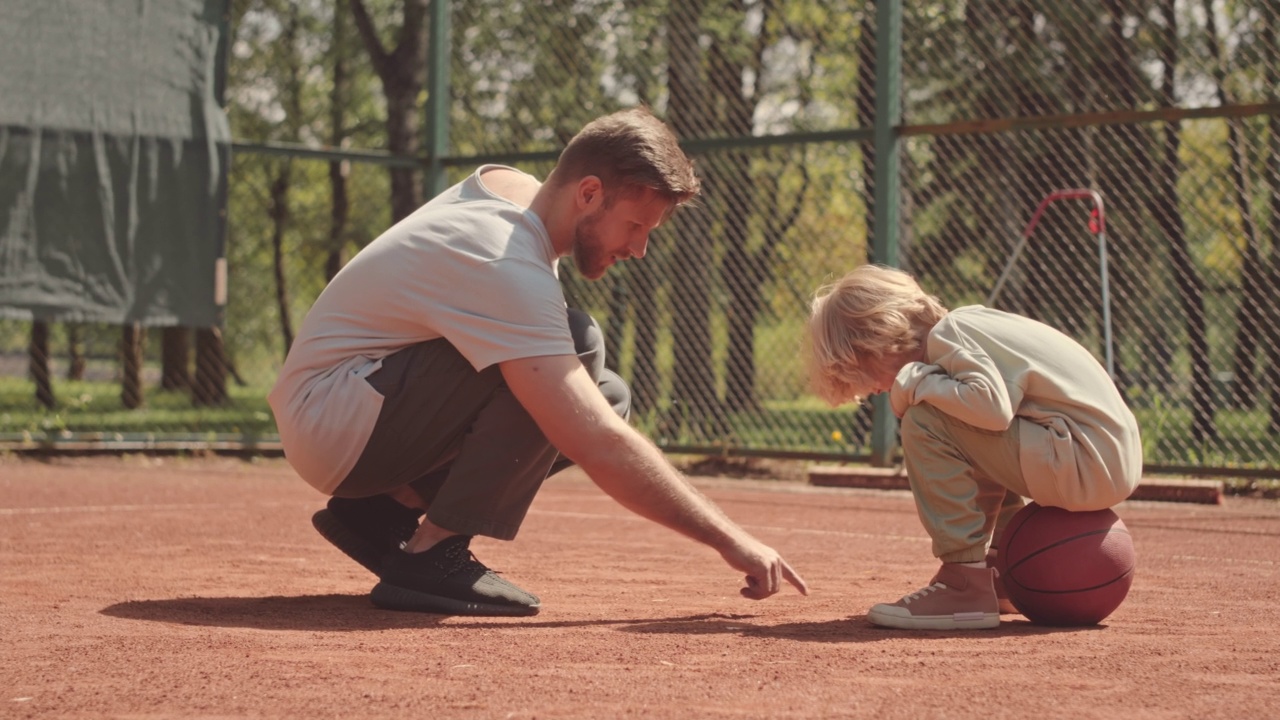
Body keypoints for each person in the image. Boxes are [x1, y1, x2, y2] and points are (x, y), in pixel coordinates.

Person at [268, 107, 807, 617]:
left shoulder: (521, 198)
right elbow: (594, 439)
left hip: (346, 408)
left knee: (606, 390)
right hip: (336, 421)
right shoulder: (503, 256)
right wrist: (729, 539)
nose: (639, 249)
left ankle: (381, 510)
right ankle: (431, 553)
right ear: (590, 193)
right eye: (636, 226)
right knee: (576, 345)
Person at [806, 264, 1141, 630]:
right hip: (1098, 458)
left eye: (863, 371)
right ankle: (1000, 572)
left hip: (1083, 457)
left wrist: (918, 383)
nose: (871, 388)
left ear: (879, 337)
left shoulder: (952, 332)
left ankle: (963, 583)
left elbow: (993, 409)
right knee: (959, 418)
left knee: (927, 419)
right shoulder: (967, 330)